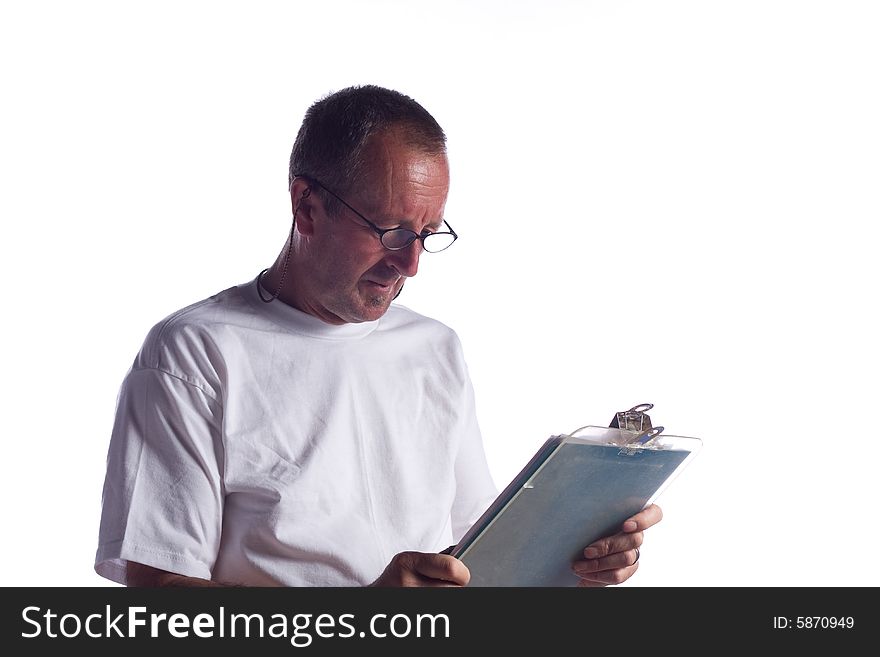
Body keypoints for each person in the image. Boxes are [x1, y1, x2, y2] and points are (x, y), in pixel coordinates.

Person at [94, 84, 662, 587]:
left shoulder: (435, 348)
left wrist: (574, 563)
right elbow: (165, 597)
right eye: (390, 231)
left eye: (428, 234)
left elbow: (476, 554)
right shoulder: (193, 354)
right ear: (306, 206)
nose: (410, 264)